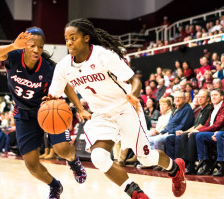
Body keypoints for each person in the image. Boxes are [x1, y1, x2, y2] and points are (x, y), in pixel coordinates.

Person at [46, 18, 187, 199]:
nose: (69, 43)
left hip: (126, 108)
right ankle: (135, 192)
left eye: (73, 38)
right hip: (101, 114)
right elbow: (56, 95)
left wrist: (134, 95)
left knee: (146, 158)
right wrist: (53, 104)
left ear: (87, 38)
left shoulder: (104, 55)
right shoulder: (63, 66)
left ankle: (175, 169)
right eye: (66, 39)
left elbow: (134, 78)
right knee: (98, 157)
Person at [0, 27, 87, 199]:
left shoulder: (49, 68)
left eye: (40, 47)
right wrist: (13, 45)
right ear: (25, 45)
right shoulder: (13, 57)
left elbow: (67, 86)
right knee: (31, 164)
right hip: (24, 115)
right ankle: (55, 185)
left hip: (49, 109)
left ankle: (73, 161)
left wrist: (79, 107)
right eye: (32, 45)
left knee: (62, 149)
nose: (36, 50)